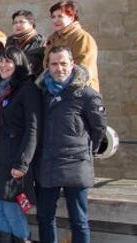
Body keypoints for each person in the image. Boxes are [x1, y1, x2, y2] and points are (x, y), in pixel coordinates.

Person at [34, 46, 106, 243]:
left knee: (79, 220)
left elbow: (98, 129)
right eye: (54, 64)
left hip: (76, 164)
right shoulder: (41, 93)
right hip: (47, 164)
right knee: (45, 218)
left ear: (72, 64)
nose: (59, 68)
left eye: (64, 63)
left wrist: (85, 152)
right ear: (47, 66)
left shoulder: (87, 95)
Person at [0, 47, 39, 243]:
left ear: (18, 64)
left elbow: (33, 128)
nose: (2, 65)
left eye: (8, 61)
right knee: (0, 209)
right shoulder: (4, 90)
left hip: (13, 160)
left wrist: (22, 163)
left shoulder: (27, 89)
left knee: (12, 211)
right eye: (0, 61)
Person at [44, 0, 99, 92]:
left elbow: (83, 70)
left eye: (60, 16)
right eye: (53, 17)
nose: (56, 20)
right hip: (54, 91)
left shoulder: (82, 37)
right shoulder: (52, 38)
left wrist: (68, 92)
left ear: (72, 17)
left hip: (79, 93)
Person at [6, 10, 45, 77]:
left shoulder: (41, 41)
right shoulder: (10, 41)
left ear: (31, 24)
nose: (17, 25)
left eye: (21, 22)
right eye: (15, 23)